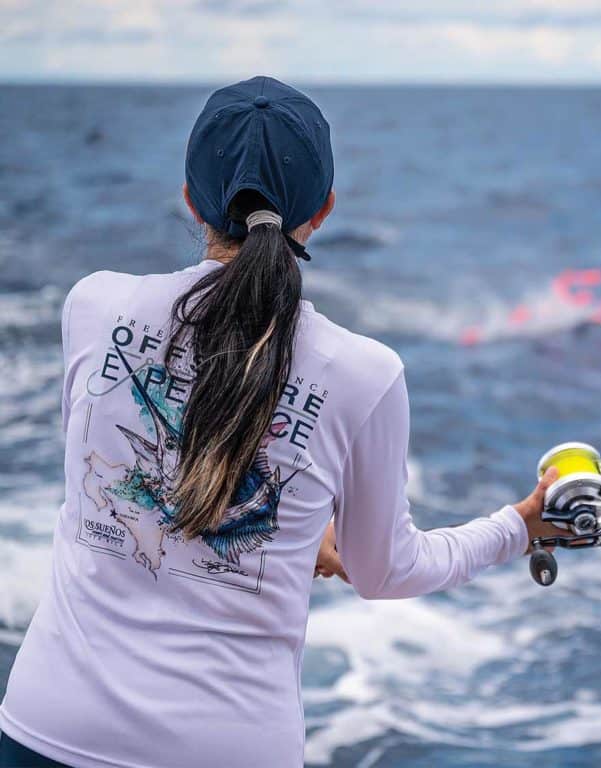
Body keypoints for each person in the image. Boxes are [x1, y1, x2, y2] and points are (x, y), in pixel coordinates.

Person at [0, 76, 562, 768]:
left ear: (189, 197)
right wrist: (519, 525)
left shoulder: (92, 305)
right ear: (322, 210)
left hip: (44, 728)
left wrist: (302, 535)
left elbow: (112, 475)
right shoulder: (365, 373)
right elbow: (386, 571)